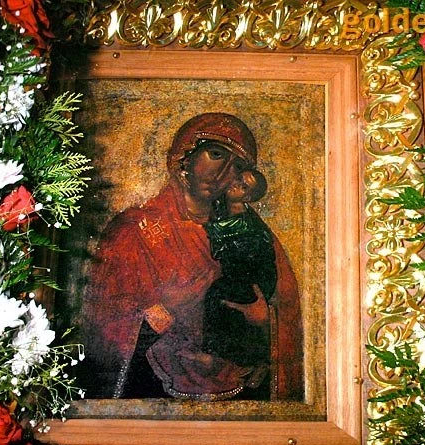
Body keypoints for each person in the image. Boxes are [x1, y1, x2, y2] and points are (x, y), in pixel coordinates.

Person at [81, 112, 304, 401]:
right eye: (215, 155)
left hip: (237, 386)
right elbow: (107, 330)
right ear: (186, 154)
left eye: (236, 166)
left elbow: (285, 312)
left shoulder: (252, 234)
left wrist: (263, 322)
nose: (222, 174)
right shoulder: (134, 230)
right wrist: (170, 310)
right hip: (153, 389)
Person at [202, 169, 275, 381]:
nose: (235, 184)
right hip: (231, 278)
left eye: (243, 186)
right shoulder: (222, 208)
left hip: (246, 283)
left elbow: (214, 236)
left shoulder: (243, 222)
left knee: (222, 302)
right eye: (238, 179)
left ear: (248, 197)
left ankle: (249, 364)